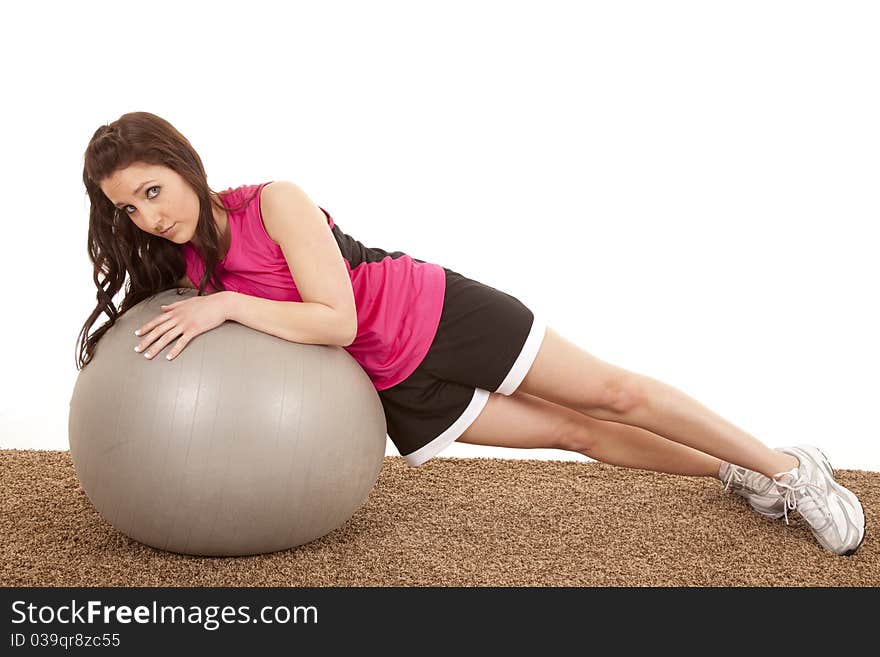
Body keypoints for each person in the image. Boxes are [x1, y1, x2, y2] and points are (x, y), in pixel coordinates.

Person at [78, 111, 866, 557]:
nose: (150, 215)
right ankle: (737, 474)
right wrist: (200, 300)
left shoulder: (272, 202)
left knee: (615, 393)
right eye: (130, 209)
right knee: (575, 433)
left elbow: (336, 319)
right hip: (391, 386)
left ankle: (789, 469)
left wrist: (226, 306)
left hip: (433, 314)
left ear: (185, 164)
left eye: (153, 190)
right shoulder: (183, 265)